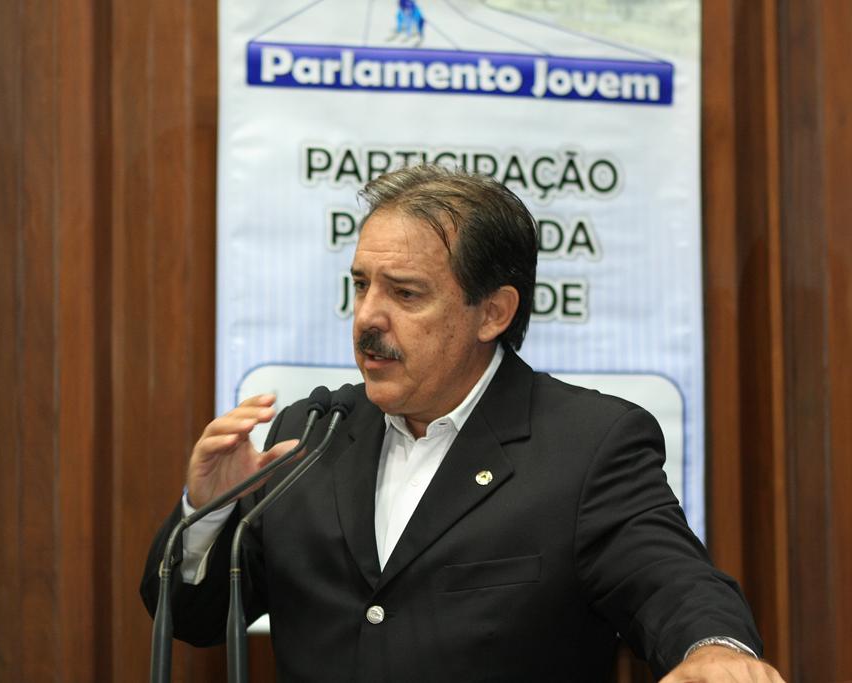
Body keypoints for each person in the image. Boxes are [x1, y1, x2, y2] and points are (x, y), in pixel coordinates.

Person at [141, 165, 784, 681]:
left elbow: (670, 580)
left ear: (493, 313)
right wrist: (208, 512)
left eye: (405, 293)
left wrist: (714, 649)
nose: (367, 317)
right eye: (361, 285)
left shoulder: (587, 445)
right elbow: (196, 619)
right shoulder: (313, 432)